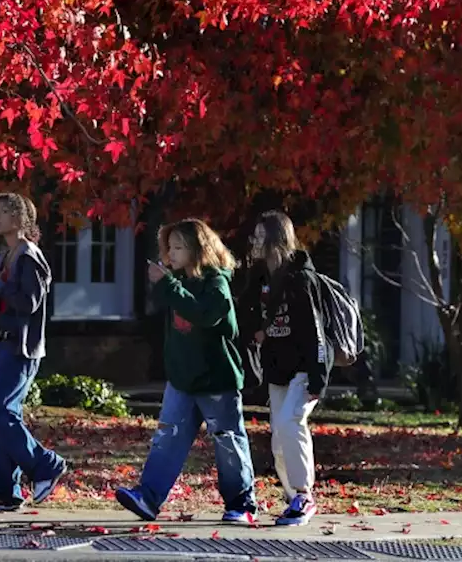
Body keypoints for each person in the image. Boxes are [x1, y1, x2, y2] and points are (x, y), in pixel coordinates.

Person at [115, 219, 258, 525]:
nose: (172, 253)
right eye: (170, 247)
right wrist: (169, 285)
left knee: (227, 440)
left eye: (179, 247)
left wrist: (168, 285)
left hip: (216, 380)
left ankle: (241, 503)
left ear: (198, 250)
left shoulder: (216, 283)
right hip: (182, 379)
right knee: (168, 437)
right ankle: (149, 497)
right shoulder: (176, 281)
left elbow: (205, 315)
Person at [0, 193, 69, 511]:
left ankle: (46, 464)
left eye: (3, 212)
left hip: (21, 349)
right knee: (2, 415)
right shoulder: (7, 255)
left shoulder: (30, 256)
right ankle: (4, 492)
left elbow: (29, 303)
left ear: (20, 219)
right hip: (3, 345)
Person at [239, 210, 332, 526]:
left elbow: (314, 331)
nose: (255, 242)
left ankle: (305, 495)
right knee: (279, 436)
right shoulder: (262, 276)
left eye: (261, 236)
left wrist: (318, 377)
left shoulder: (300, 279)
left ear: (276, 239)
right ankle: (292, 496)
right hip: (279, 369)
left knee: (291, 423)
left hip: (307, 367)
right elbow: (247, 313)